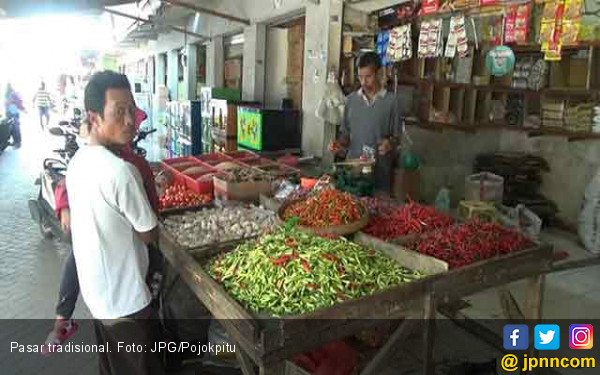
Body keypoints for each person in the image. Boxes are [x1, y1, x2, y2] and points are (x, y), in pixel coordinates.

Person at [65, 71, 163, 375]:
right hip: (128, 302)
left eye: (131, 110)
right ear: (94, 117)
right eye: (119, 112)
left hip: (99, 298)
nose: (130, 120)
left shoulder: (78, 162)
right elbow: (149, 232)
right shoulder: (121, 172)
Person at [51, 107, 161, 334]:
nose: (130, 125)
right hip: (124, 293)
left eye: (133, 121)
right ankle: (63, 316)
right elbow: (149, 230)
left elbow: (148, 194)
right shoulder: (118, 167)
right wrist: (64, 207)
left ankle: (63, 317)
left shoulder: (130, 161)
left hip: (106, 297)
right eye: (123, 118)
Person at [330, 52, 402, 194]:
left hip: (379, 175)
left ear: (379, 73)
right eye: (360, 77)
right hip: (353, 174)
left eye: (368, 77)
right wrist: (339, 145)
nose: (363, 82)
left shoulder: (391, 102)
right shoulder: (351, 101)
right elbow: (345, 134)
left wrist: (390, 144)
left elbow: (397, 139)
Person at [4, 83, 25, 147]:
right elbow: (19, 102)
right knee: (13, 128)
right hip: (11, 112)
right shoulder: (9, 94)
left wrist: (22, 108)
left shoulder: (12, 94)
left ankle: (17, 142)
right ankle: (16, 142)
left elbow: (18, 102)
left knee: (15, 128)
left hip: (12, 112)